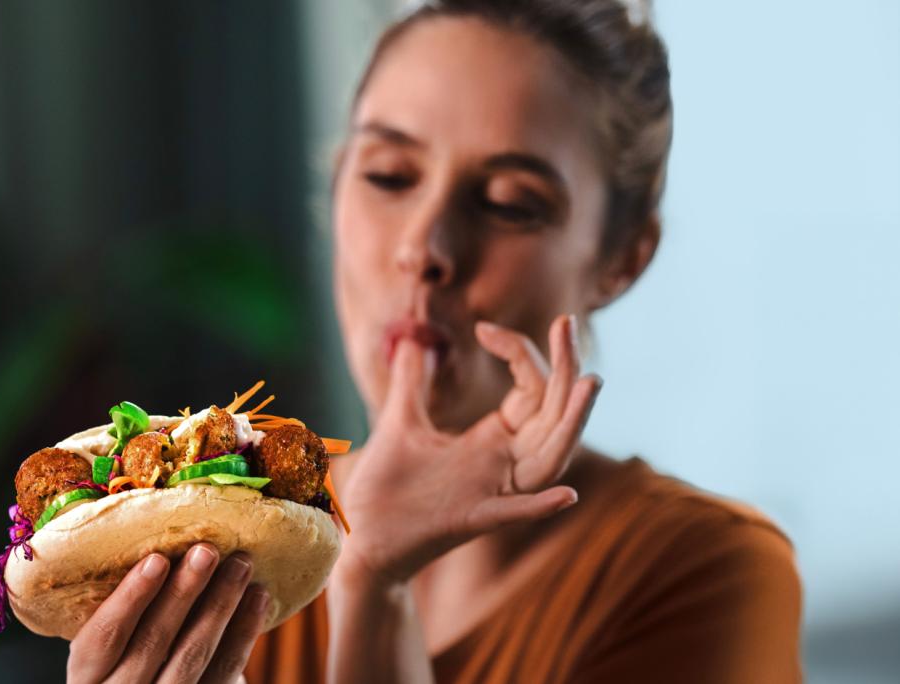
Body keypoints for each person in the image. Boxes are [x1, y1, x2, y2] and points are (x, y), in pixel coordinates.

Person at [64, 1, 802, 682]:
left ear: (621, 260)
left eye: (511, 203)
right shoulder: (210, 553)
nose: (424, 246)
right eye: (388, 176)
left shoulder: (709, 573)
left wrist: (373, 583)